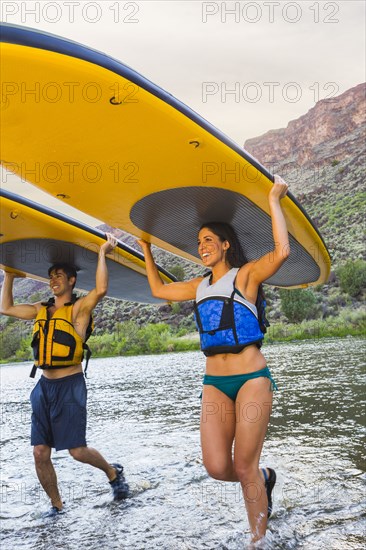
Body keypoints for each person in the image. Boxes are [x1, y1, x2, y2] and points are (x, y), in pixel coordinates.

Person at [137, 176, 289, 544]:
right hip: (215, 384)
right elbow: (158, 289)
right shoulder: (199, 285)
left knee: (242, 464)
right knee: (218, 467)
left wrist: (275, 198)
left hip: (252, 378)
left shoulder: (247, 275)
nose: (202, 246)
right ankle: (263, 479)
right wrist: (145, 246)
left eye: (208, 240)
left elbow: (282, 251)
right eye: (199, 241)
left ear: (225, 245)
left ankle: (258, 540)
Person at [0, 233, 129, 517]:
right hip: (43, 387)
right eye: (51, 276)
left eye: (59, 275)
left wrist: (102, 252)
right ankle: (57, 507)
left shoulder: (79, 309)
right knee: (39, 453)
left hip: (70, 385)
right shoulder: (39, 310)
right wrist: (8, 274)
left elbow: (102, 289)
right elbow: (5, 307)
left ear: (71, 280)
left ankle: (112, 472)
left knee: (77, 451)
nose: (53, 279)